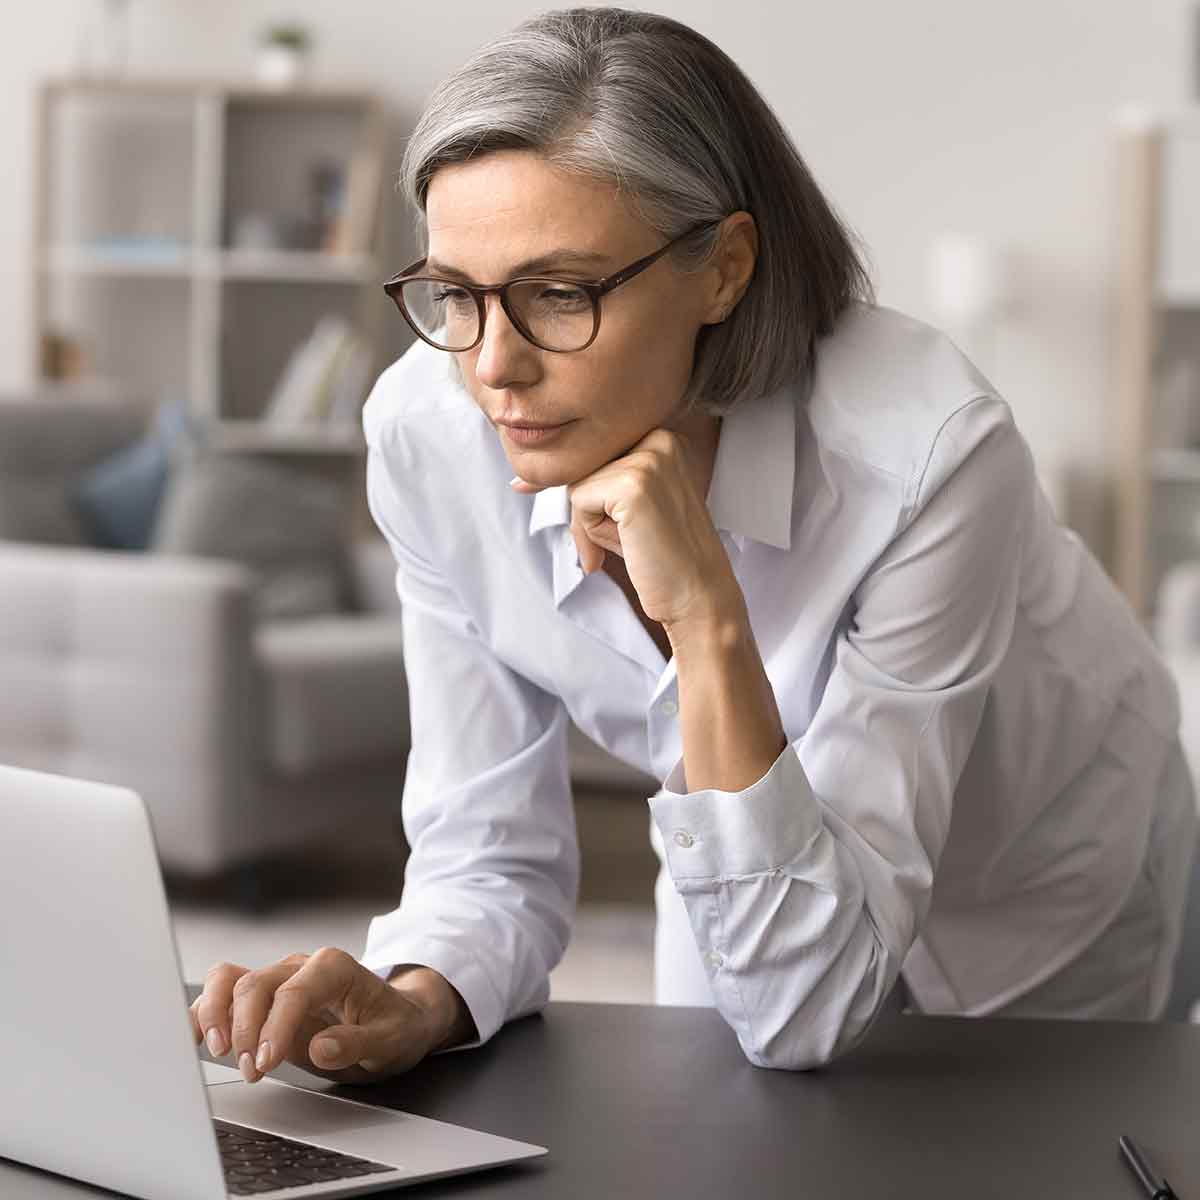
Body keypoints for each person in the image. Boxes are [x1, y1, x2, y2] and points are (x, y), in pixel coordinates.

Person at [189, 6, 1197, 1081]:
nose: (492, 367)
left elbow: (808, 999)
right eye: (455, 297)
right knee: (718, 1117)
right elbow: (484, 849)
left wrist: (707, 613)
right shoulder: (427, 436)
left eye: (558, 294)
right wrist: (415, 995)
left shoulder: (926, 457)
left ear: (724, 266)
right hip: (757, 834)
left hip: (1042, 886)